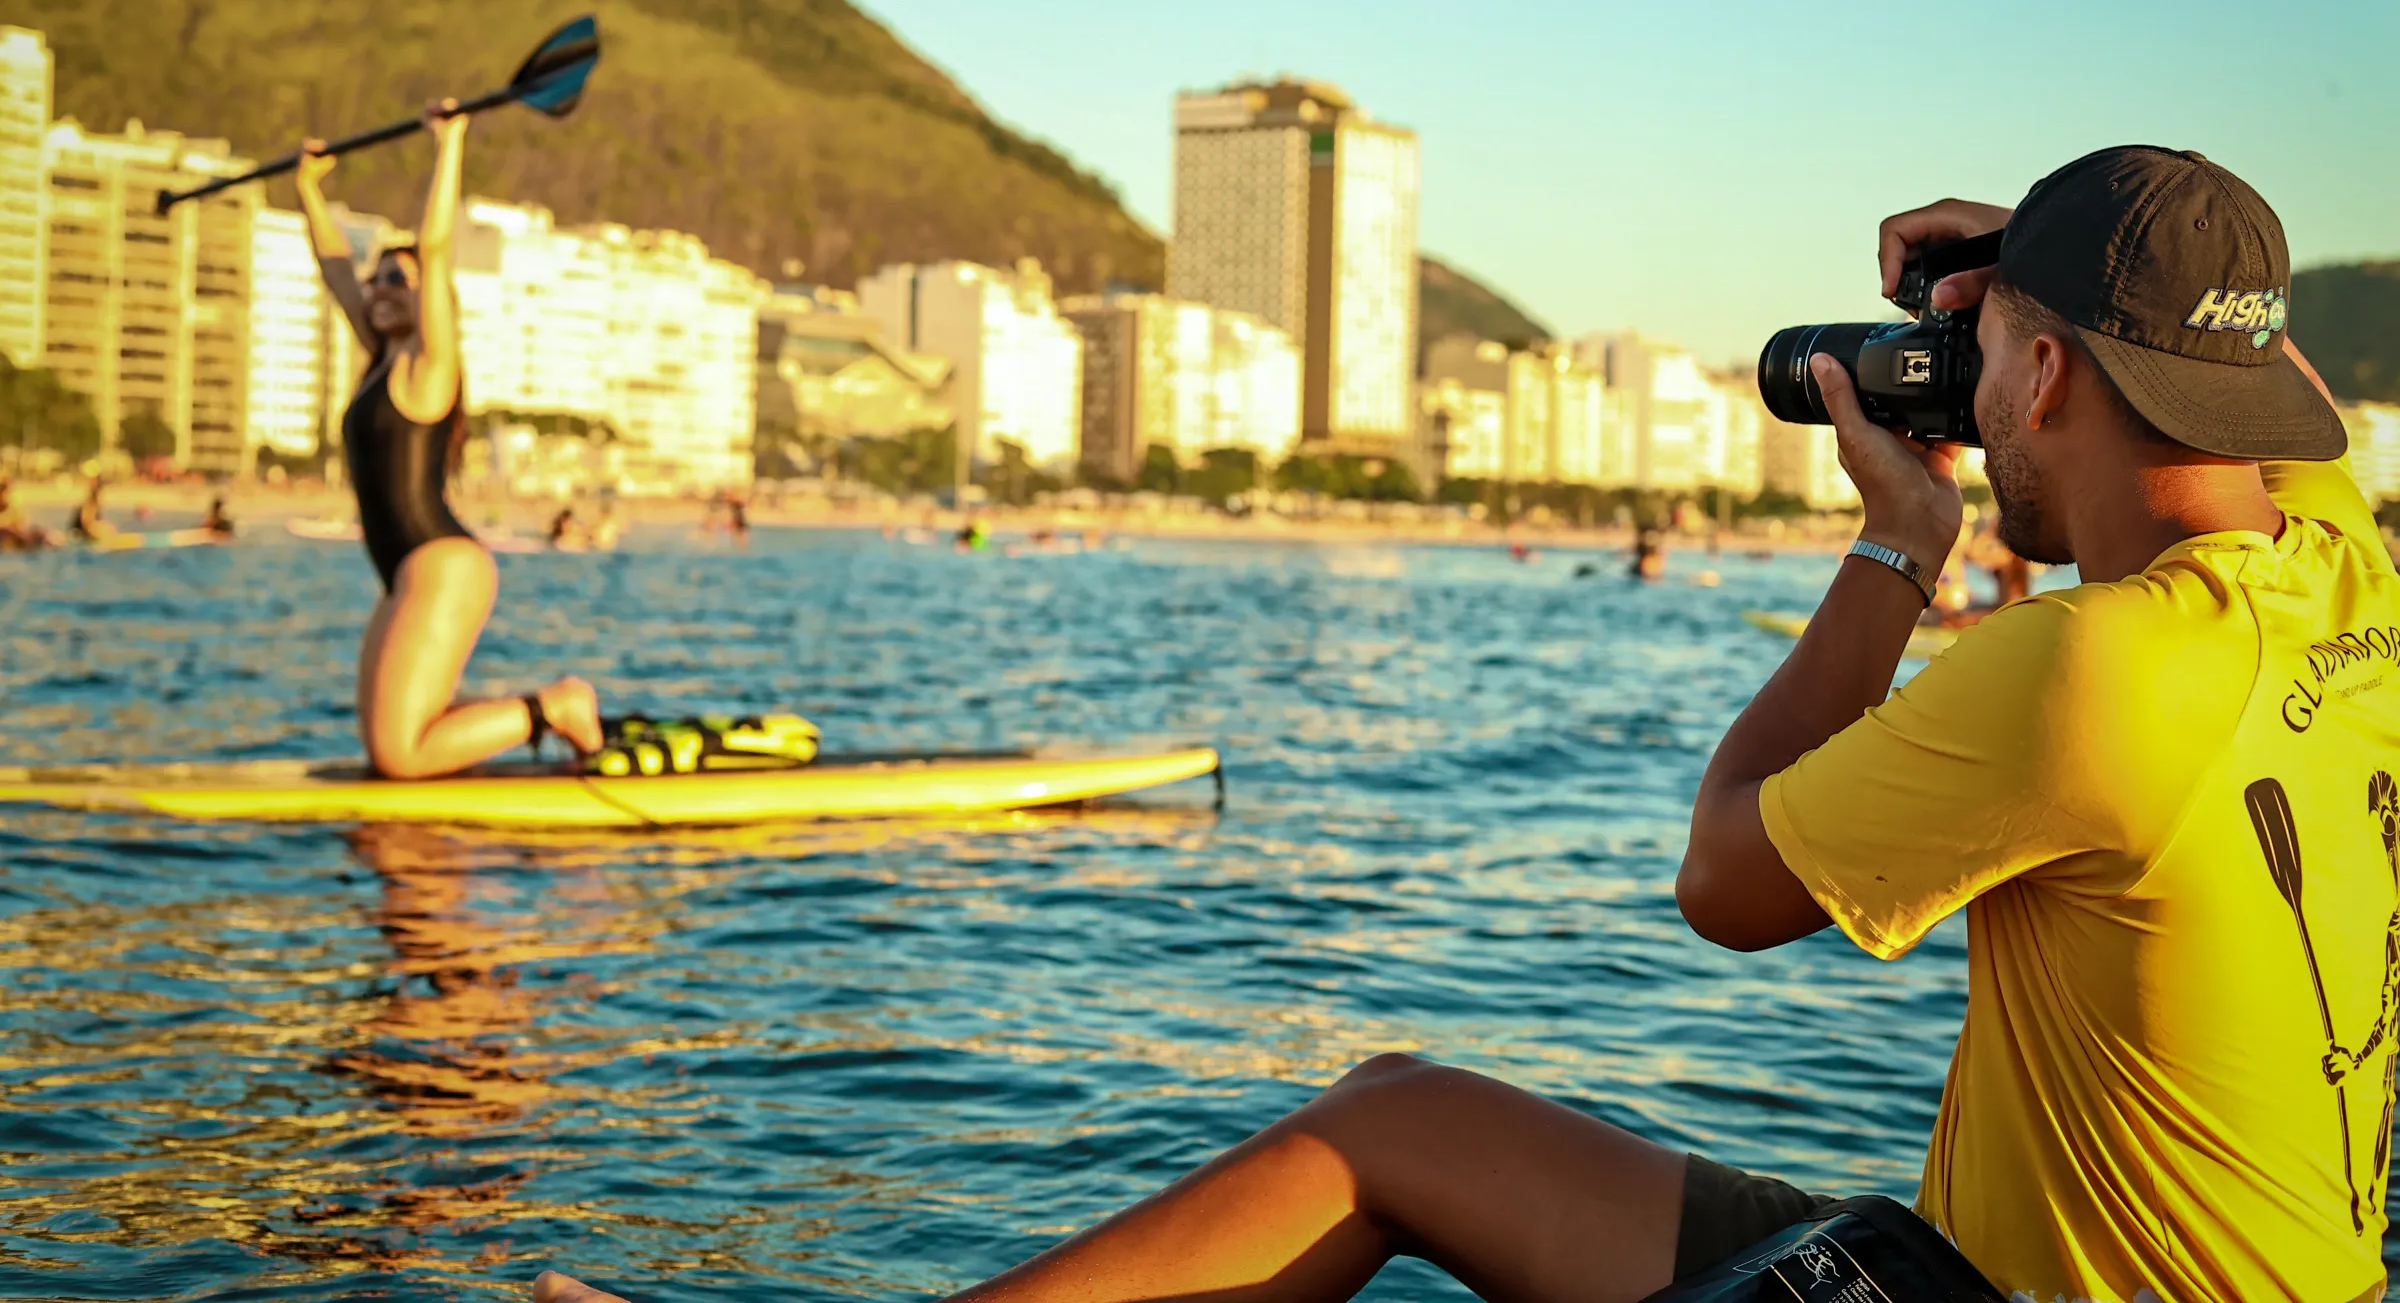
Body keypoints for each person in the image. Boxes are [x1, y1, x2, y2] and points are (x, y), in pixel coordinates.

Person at [533, 147, 2400, 1303]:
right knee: (1391, 1119)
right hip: (2077, 1271)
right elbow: (2280, 387)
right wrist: (2046, 262)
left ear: (2053, 369)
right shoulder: (2341, 569)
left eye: (1997, 358)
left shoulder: (2092, 666)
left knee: (1382, 1131)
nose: (1970, 393)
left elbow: (1724, 878)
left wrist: (1898, 543)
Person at [297, 107, 603, 780]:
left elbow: (435, 250)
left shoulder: (428, 367)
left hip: (441, 565)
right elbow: (334, 268)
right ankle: (512, 722)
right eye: (378, 278)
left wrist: (450, 143)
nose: (379, 287)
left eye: (396, 281)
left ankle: (556, 705)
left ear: (428, 300)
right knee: (392, 746)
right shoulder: (379, 361)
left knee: (400, 755)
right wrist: (309, 188)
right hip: (403, 569)